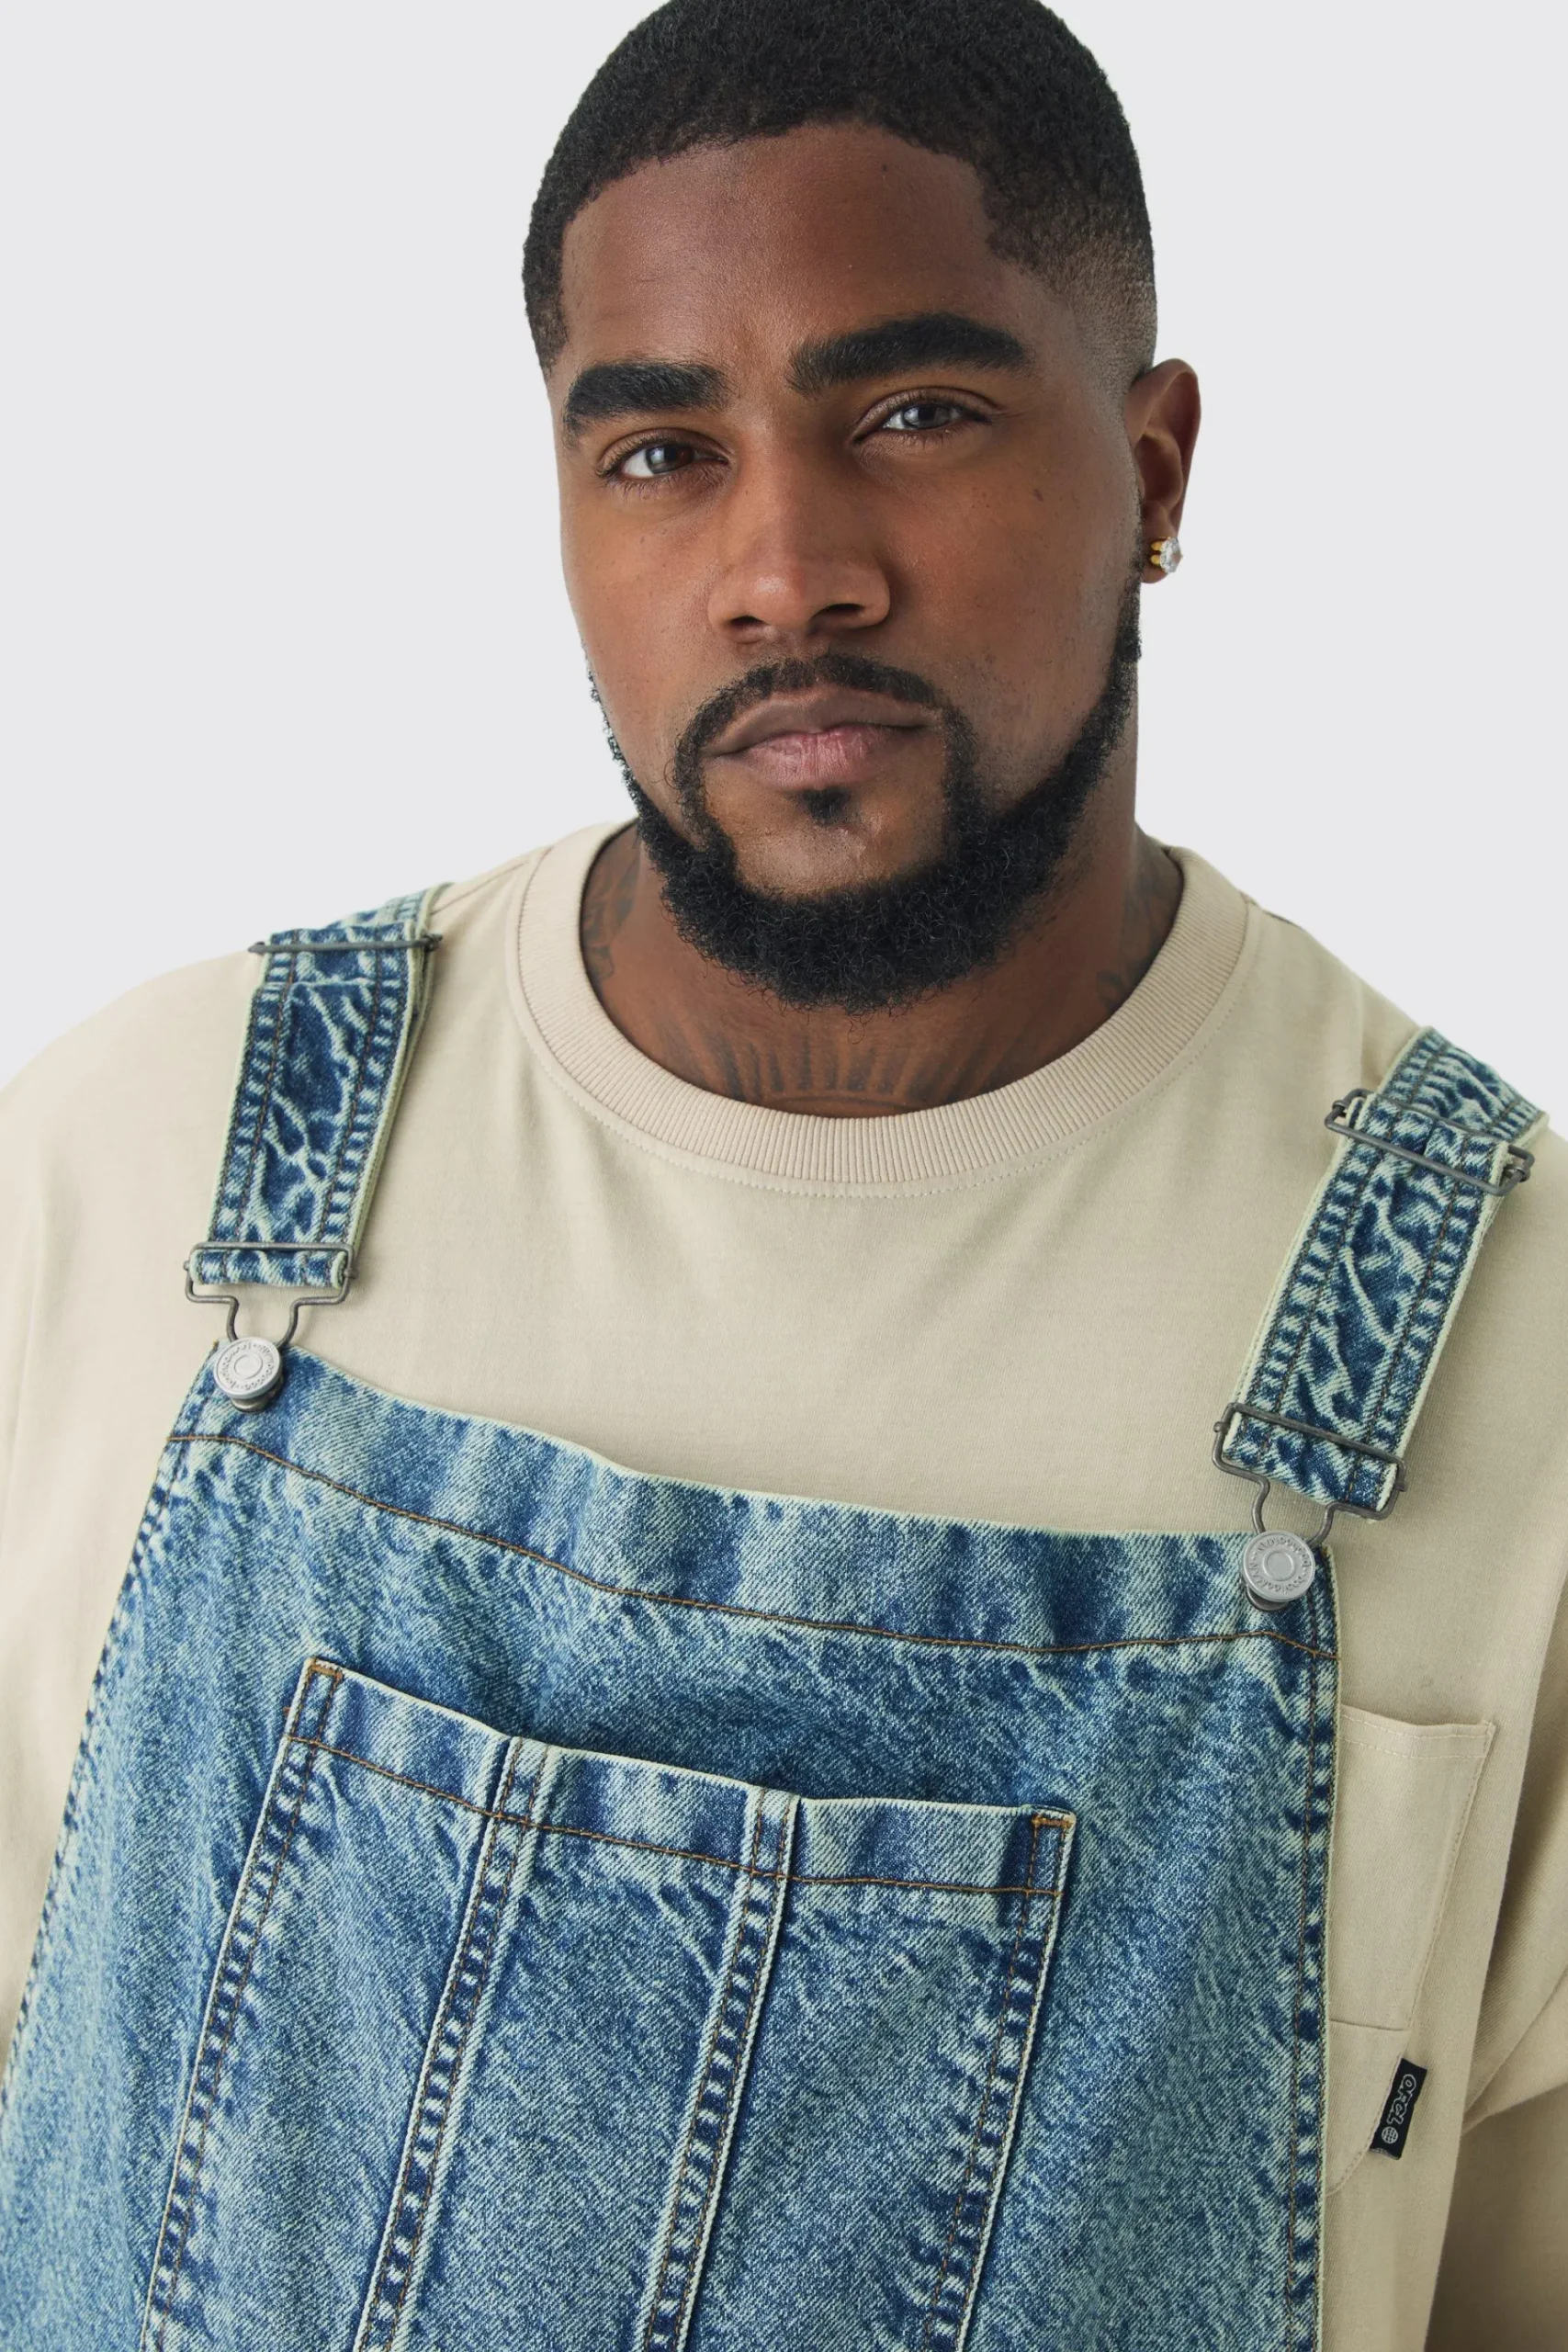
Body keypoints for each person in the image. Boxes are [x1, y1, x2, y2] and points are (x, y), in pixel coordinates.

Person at [0, 2, 1562, 2345]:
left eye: (914, 414)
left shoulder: (1511, 1350)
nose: (783, 570)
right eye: (659, 450)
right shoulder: (141, 1170)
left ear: (1154, 466)